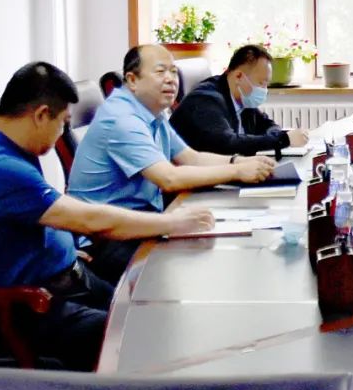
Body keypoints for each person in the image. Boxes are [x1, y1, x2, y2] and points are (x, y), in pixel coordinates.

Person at [0, 62, 215, 371]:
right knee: (143, 335)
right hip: (25, 307)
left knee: (151, 308)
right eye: (63, 123)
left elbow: (31, 214)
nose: (62, 132)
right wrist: (172, 222)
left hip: (63, 276)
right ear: (41, 115)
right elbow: (90, 220)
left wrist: (65, 247)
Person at [68, 45, 275, 282]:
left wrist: (239, 161)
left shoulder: (151, 111)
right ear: (132, 80)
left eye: (174, 72)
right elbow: (169, 178)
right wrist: (237, 171)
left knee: (207, 247)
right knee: (196, 267)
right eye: (160, 72)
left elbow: (192, 158)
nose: (171, 79)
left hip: (141, 221)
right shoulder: (122, 119)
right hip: (107, 238)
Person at [170, 44, 310, 155]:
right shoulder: (205, 100)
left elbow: (267, 125)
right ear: (238, 76)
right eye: (261, 83)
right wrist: (284, 139)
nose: (264, 90)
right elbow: (228, 143)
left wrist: (278, 136)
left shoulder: (242, 101)